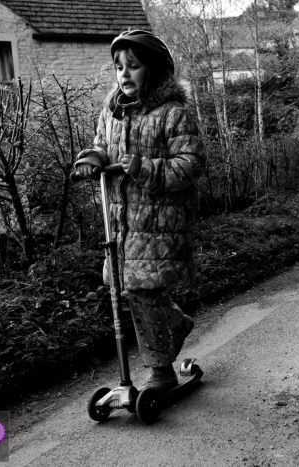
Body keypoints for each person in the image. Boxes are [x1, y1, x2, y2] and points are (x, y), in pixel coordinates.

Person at [74, 30, 206, 394]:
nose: (124, 74)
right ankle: (175, 326)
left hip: (158, 223)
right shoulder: (111, 110)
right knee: (125, 287)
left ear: (156, 70)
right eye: (119, 67)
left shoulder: (172, 114)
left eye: (133, 66)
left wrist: (145, 168)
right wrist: (92, 159)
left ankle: (161, 370)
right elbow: (102, 145)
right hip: (120, 223)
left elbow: (191, 163)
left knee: (144, 290)